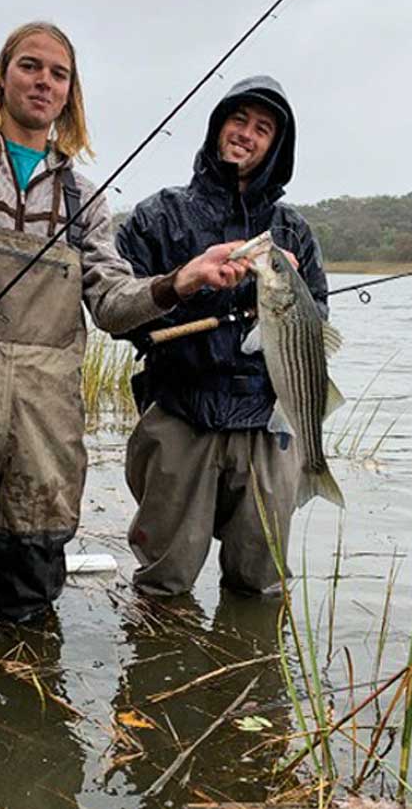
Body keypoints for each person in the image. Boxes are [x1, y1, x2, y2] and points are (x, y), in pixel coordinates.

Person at [0, 21, 252, 655]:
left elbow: (114, 306)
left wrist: (183, 281)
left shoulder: (84, 198)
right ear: (3, 75)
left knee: (30, 608)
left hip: (47, 422)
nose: (43, 81)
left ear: (70, 94)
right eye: (30, 66)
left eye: (59, 74)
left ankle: (27, 734)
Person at [115, 75, 329, 597]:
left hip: (266, 423)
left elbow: (316, 318)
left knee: (263, 586)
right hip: (181, 414)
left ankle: (250, 670)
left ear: (276, 146)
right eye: (239, 119)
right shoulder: (157, 216)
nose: (247, 134)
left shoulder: (293, 230)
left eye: (263, 128)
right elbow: (116, 307)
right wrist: (188, 285)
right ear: (217, 126)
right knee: (163, 583)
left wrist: (290, 291)